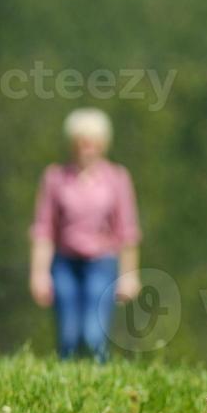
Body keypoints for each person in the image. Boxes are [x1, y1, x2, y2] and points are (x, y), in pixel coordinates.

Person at [29, 109, 143, 362]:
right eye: (81, 142)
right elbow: (44, 230)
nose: (86, 149)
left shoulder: (117, 178)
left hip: (102, 263)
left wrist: (130, 275)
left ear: (103, 145)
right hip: (64, 264)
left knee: (94, 334)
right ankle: (65, 383)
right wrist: (39, 274)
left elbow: (127, 231)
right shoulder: (56, 178)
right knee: (68, 334)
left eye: (93, 143)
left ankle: (100, 383)